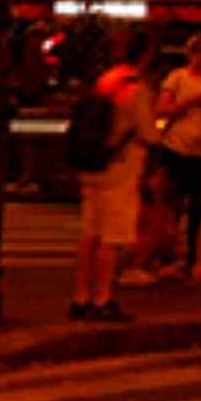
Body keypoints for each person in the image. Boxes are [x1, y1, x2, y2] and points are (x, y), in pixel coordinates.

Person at [68, 55, 154, 323]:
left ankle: (80, 296)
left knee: (90, 234)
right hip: (120, 166)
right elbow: (148, 132)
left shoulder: (105, 82)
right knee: (112, 237)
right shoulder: (135, 89)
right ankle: (102, 297)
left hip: (92, 165)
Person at [142, 34, 201, 285]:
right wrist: (192, 101)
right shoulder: (177, 78)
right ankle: (167, 259)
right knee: (171, 209)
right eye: (197, 53)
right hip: (177, 148)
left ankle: (196, 261)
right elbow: (162, 110)